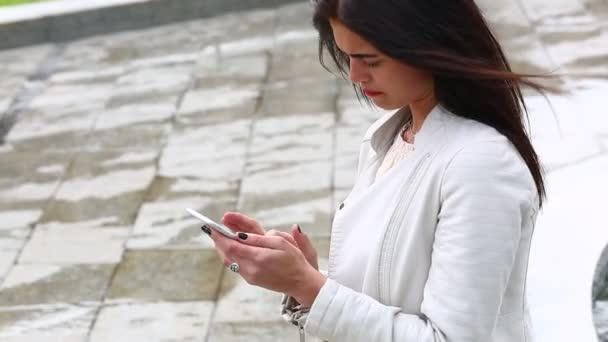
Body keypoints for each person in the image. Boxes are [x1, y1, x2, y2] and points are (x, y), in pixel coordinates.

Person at [206, 0, 550, 341]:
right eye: (348, 56)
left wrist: (306, 285)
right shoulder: (393, 136)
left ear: (428, 44)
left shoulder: (480, 166)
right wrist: (299, 273)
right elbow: (390, 291)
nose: (355, 75)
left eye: (371, 60)